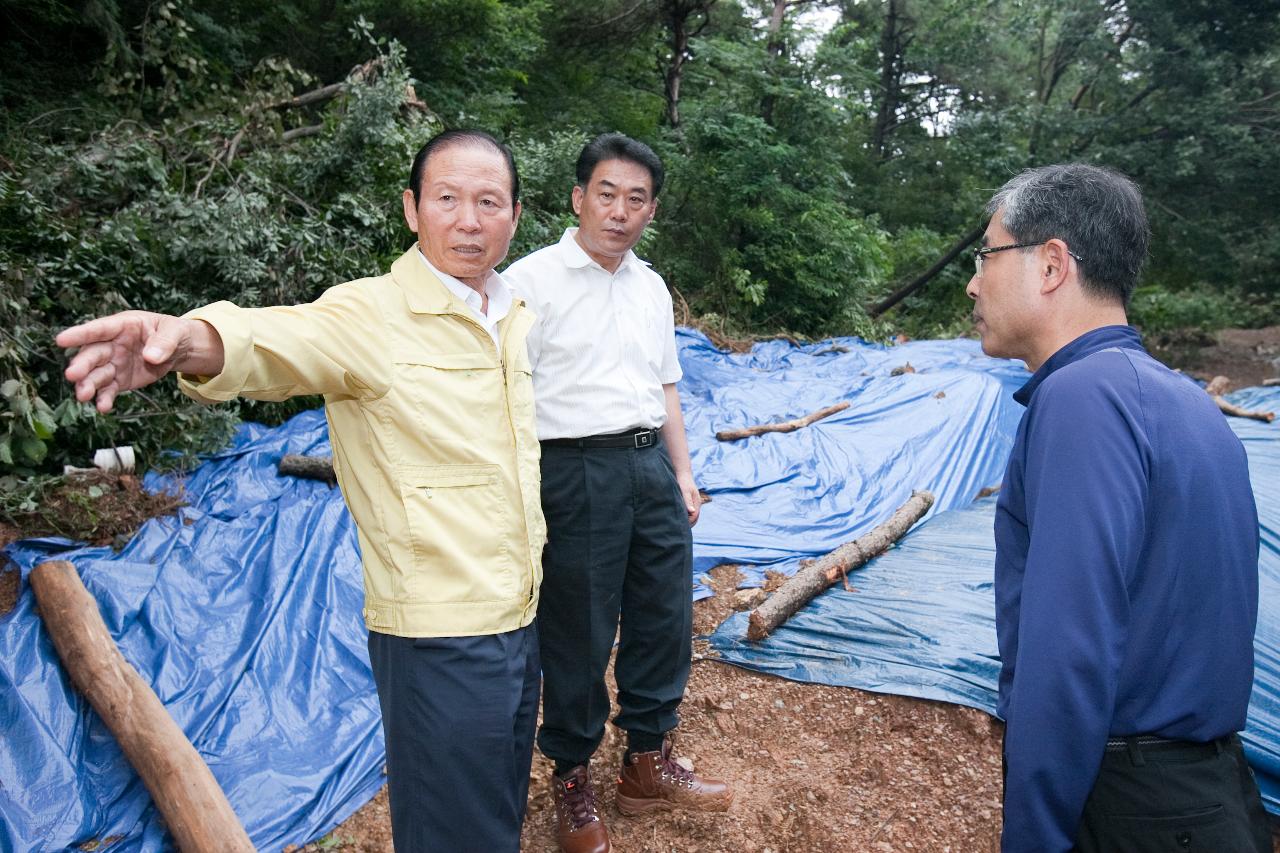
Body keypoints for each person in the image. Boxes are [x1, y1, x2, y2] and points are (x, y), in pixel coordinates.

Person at [56, 130, 545, 853]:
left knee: (494, 810)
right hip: (438, 634)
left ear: (515, 214)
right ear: (412, 209)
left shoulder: (508, 313)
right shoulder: (370, 314)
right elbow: (274, 340)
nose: (468, 220)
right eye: (446, 198)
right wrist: (187, 339)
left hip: (518, 612)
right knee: (456, 834)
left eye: (487, 202)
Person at [967, 163, 1269, 853]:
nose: (974, 281)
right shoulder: (1184, 399)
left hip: (1132, 804)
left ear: (1051, 264)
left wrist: (1036, 836)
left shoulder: (1081, 400)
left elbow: (1068, 648)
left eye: (987, 255)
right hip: (1211, 791)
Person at [503, 132, 731, 853]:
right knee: (579, 625)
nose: (620, 211)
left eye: (637, 199)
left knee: (664, 613)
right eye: (607, 193)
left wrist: (684, 473)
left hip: (648, 467)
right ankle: (571, 775)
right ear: (578, 197)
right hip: (573, 468)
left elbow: (665, 386)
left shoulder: (651, 285)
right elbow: (504, 394)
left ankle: (645, 761)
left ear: (651, 210)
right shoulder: (530, 283)